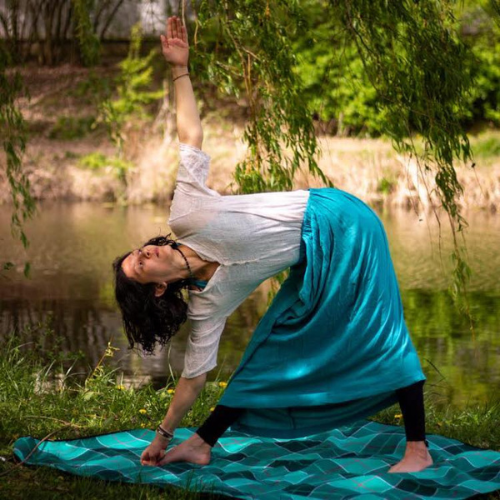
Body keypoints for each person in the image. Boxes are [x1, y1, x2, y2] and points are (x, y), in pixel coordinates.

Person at [113, 16, 433, 474]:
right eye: (140, 266)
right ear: (158, 289)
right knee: (269, 347)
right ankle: (202, 443)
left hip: (341, 220)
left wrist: (180, 69)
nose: (145, 252)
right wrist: (164, 435)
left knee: (378, 327)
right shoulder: (207, 306)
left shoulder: (187, 215)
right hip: (314, 256)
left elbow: (191, 138)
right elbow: (193, 378)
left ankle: (418, 448)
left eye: (139, 251)